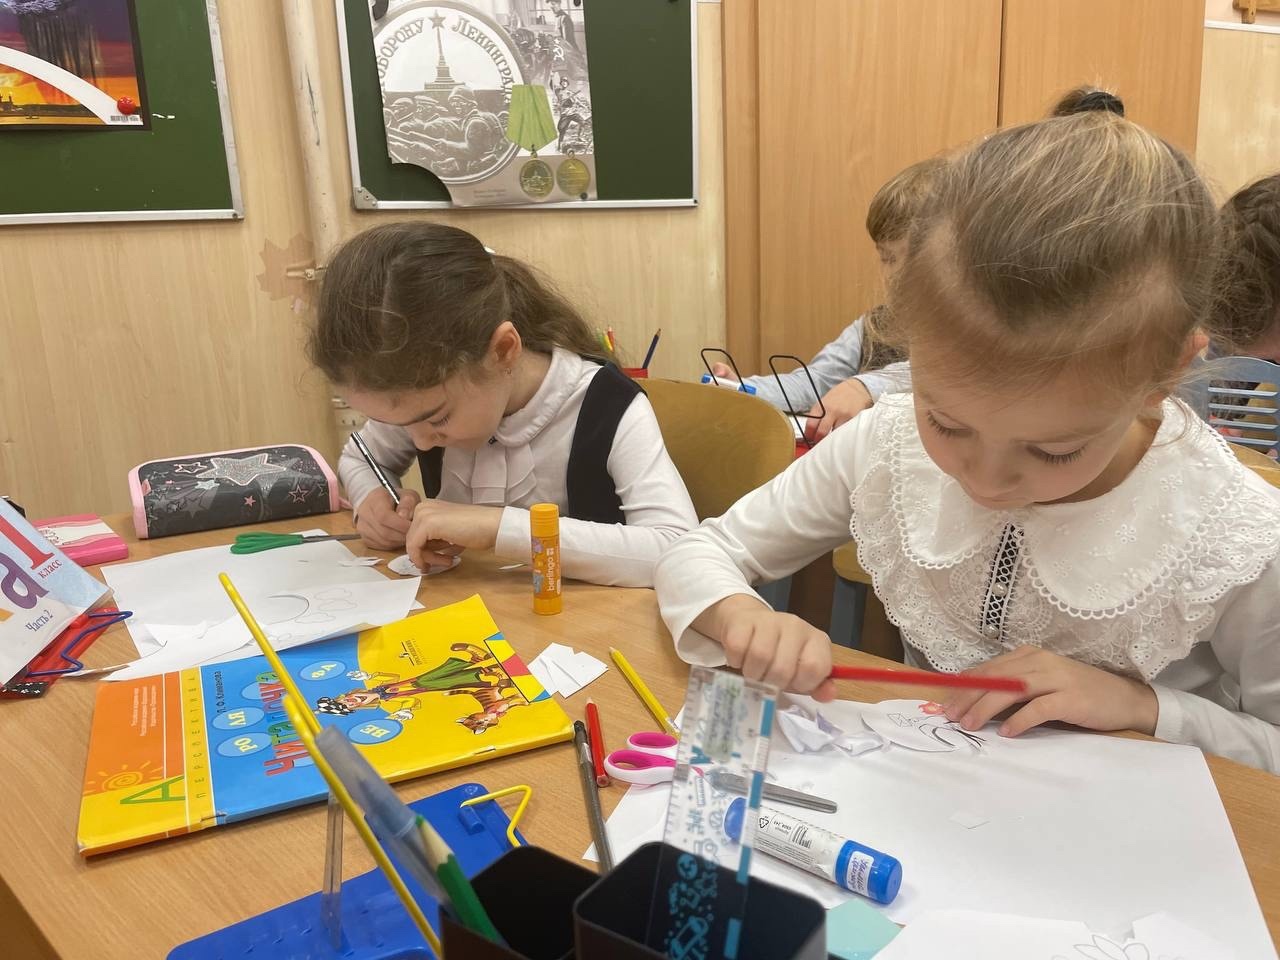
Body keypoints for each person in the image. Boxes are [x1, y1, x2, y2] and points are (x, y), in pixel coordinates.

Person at [656, 113, 1280, 774]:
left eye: (1053, 451)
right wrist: (737, 615)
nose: (984, 481)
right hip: (921, 798)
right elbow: (699, 550)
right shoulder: (887, 441)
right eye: (948, 423)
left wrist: (1144, 706)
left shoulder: (1235, 537)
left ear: (1167, 374)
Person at [309, 222, 697, 588]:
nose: (420, 442)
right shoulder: (420, 398)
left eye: (438, 419)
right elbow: (360, 457)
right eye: (398, 424)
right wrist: (371, 502)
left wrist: (497, 527)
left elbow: (678, 549)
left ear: (503, 351)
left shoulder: (608, 408)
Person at [709, 158, 943, 438]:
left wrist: (863, 387)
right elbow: (814, 382)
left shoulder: (974, 327)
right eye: (886, 258)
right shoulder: (873, 326)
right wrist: (743, 390)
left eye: (902, 259)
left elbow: (940, 371)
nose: (892, 275)